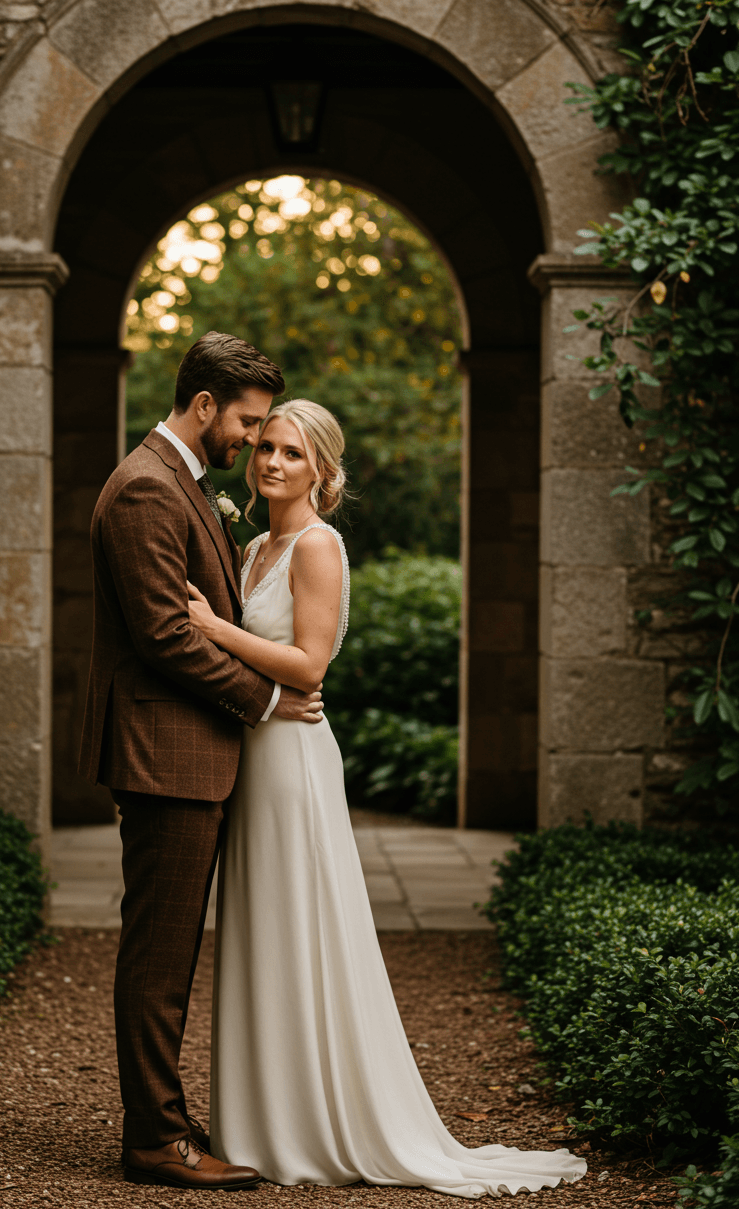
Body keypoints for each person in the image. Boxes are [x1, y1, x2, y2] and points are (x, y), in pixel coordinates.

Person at [186, 399, 588, 1199]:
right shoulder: (255, 544)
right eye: (265, 447)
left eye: (292, 454)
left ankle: (314, 1125)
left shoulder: (317, 546)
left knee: (301, 928)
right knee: (261, 930)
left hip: (294, 761)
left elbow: (305, 667)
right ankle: (260, 1121)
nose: (270, 463)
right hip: (253, 755)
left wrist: (214, 629)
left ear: (322, 473)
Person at [78, 334, 325, 1191]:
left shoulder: (181, 482)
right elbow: (165, 636)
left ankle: (168, 1118)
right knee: (159, 955)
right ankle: (154, 1140)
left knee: (171, 951)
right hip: (164, 754)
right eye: (250, 425)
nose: (254, 444)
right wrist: (265, 700)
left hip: (186, 753)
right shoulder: (148, 487)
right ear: (206, 404)